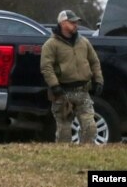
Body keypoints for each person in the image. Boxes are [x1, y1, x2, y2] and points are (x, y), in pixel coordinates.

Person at [40, 9, 104, 143]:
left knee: (90, 128)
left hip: (83, 92)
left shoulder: (84, 42)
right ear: (63, 23)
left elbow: (94, 61)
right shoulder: (51, 44)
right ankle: (64, 157)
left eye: (76, 22)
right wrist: (54, 85)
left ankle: (86, 154)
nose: (76, 25)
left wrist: (98, 80)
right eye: (72, 22)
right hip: (62, 93)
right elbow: (46, 67)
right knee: (64, 131)